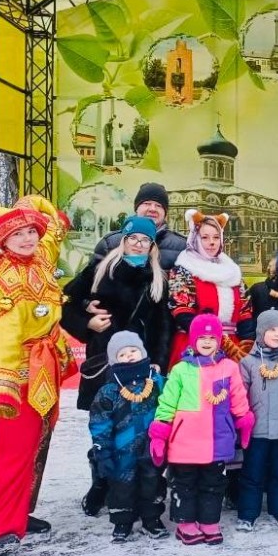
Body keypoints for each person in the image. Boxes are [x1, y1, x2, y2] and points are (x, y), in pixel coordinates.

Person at [0, 196, 74, 556]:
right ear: (2, 240)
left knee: (36, 446)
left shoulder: (41, 260)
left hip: (42, 369)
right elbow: (0, 334)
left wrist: (38, 206)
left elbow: (54, 230)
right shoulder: (0, 278)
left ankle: (18, 513)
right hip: (15, 377)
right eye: (18, 233)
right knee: (11, 452)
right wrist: (2, 387)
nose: (28, 238)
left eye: (31, 231)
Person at [62, 215, 171, 517]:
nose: (138, 243)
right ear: (123, 239)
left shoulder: (157, 277)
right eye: (133, 237)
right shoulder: (99, 270)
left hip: (141, 367)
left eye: (145, 239)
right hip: (105, 364)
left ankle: (136, 491)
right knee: (104, 430)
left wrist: (159, 363)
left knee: (137, 432)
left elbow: (163, 326)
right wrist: (88, 323)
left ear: (151, 246)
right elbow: (66, 303)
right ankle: (100, 485)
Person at [148, 314, 254, 545]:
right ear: (193, 340)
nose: (207, 342)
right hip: (185, 441)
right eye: (202, 337)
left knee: (213, 483)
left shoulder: (229, 367)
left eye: (212, 337)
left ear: (219, 340)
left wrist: (244, 419)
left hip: (218, 439)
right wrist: (160, 431)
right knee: (184, 484)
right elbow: (167, 403)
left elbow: (238, 396)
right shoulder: (180, 370)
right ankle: (185, 523)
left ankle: (209, 521)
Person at [87, 331, 168, 542]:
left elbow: (172, 406)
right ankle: (122, 521)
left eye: (134, 351)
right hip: (121, 450)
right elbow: (99, 422)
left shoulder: (158, 382)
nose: (130, 356)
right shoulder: (109, 390)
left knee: (153, 482)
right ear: (114, 360)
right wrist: (101, 450)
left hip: (151, 448)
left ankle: (152, 519)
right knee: (122, 486)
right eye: (123, 354)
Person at [236, 310, 278, 532]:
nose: (276, 334)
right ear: (260, 333)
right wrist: (243, 421)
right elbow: (240, 395)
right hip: (257, 432)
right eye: (271, 330)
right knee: (252, 474)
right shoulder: (248, 362)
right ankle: (247, 514)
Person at [168, 209, 253, 367]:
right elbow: (182, 311)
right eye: (205, 238)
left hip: (232, 349)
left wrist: (247, 344)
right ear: (195, 239)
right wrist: (213, 337)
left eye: (216, 237)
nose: (212, 242)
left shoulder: (232, 271)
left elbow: (245, 312)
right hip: (196, 345)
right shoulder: (185, 269)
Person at [90, 182, 187, 270]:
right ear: (136, 208)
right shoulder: (109, 243)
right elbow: (91, 282)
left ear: (165, 213)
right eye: (147, 203)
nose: (152, 209)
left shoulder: (182, 246)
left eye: (159, 205)